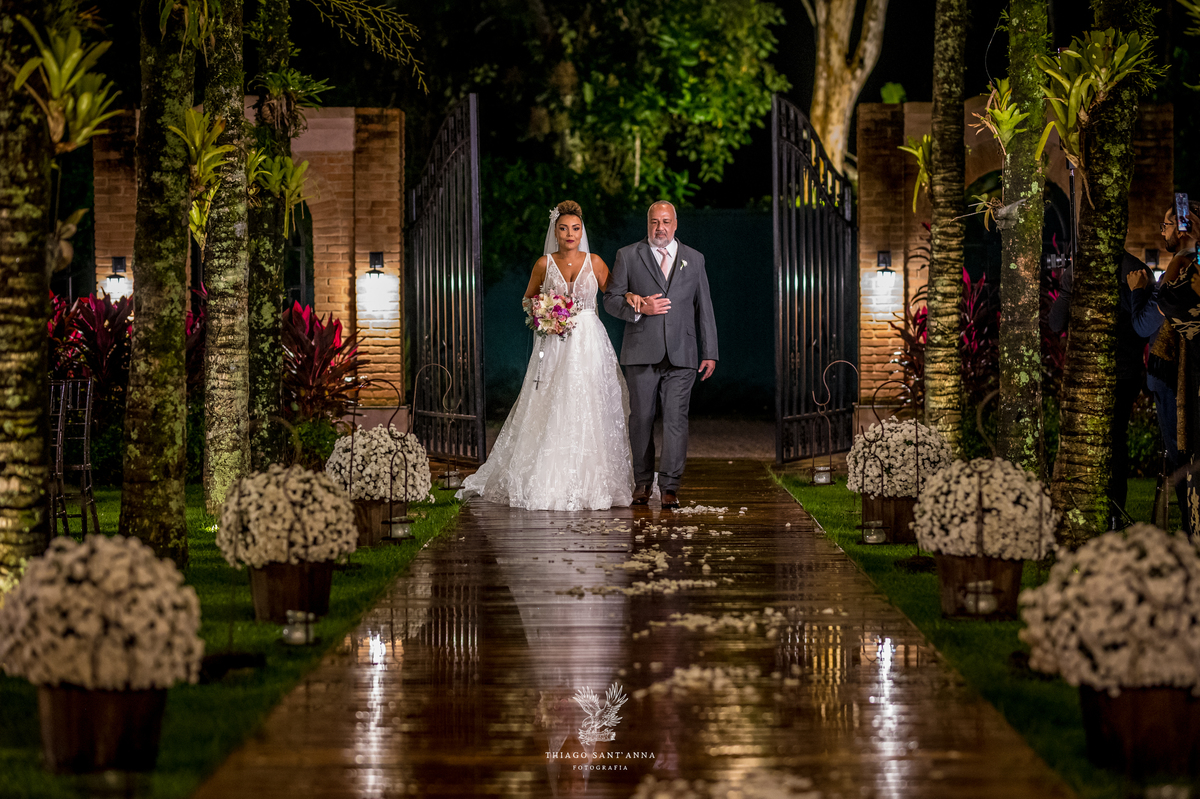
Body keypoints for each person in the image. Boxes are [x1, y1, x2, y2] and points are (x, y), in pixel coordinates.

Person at [456, 201, 634, 511]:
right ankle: (550, 480)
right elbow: (527, 300)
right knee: (552, 402)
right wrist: (544, 314)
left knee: (590, 403)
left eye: (575, 228)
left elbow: (613, 293)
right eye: (563, 229)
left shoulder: (595, 261)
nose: (570, 234)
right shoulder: (544, 263)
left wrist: (631, 296)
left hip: (589, 342)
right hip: (555, 343)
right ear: (555, 232)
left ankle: (594, 482)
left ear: (582, 232)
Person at [602, 201, 718, 509]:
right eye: (654, 222)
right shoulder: (628, 255)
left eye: (666, 221)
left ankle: (669, 486)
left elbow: (704, 307)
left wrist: (710, 351)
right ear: (648, 223)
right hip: (641, 352)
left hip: (683, 353)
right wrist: (640, 307)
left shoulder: (695, 258)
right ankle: (642, 483)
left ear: (675, 224)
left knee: (676, 419)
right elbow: (611, 299)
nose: (660, 227)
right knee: (641, 418)